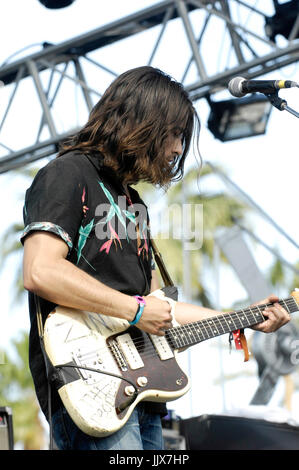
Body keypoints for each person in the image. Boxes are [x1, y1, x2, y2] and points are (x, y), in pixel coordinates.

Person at [21, 66, 290, 451]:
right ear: (145, 120)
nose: (178, 149)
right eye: (175, 134)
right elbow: (40, 270)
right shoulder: (67, 173)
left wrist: (245, 317)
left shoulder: (135, 205)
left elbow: (161, 309)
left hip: (141, 394)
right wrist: (133, 311)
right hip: (92, 385)